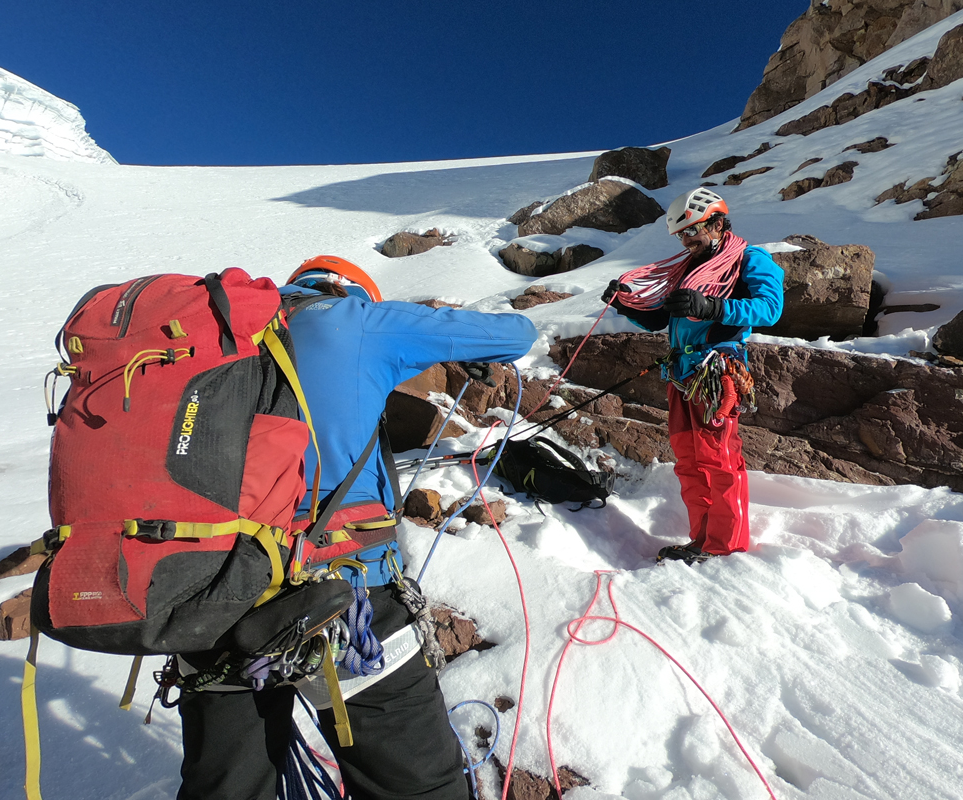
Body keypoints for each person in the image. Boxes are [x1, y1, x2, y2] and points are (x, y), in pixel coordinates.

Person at [176, 255, 538, 800]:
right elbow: (516, 333)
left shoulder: (220, 331)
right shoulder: (356, 318)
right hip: (344, 596)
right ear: (353, 291)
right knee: (415, 787)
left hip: (207, 594)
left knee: (225, 789)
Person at [601, 188, 783, 564]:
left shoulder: (750, 258)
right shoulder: (687, 268)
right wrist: (622, 303)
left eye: (692, 232)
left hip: (716, 372)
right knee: (688, 462)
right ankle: (702, 539)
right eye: (681, 235)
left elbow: (770, 308)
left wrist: (712, 306)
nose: (686, 241)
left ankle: (724, 545)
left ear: (717, 224)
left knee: (718, 460)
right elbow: (661, 318)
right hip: (682, 374)